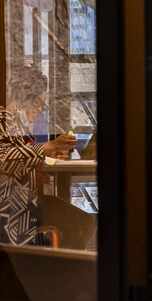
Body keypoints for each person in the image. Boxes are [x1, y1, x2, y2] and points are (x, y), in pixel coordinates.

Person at [0, 65, 77, 246]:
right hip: (10, 211)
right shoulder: (4, 119)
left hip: (22, 207)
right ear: (25, 98)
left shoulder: (19, 125)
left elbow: (21, 159)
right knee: (74, 223)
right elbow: (3, 158)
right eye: (38, 102)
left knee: (76, 220)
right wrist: (45, 149)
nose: (41, 107)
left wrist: (50, 155)